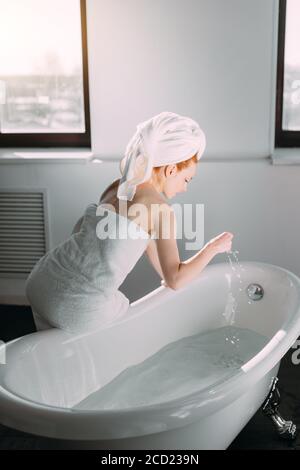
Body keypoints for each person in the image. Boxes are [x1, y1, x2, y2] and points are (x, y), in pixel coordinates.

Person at [25, 111, 233, 334]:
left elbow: (134, 244)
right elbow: (176, 280)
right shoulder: (160, 209)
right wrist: (213, 248)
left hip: (44, 280)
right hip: (77, 303)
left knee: (52, 353)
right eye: (186, 179)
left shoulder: (119, 185)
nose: (185, 188)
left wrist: (168, 275)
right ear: (170, 169)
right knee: (132, 329)